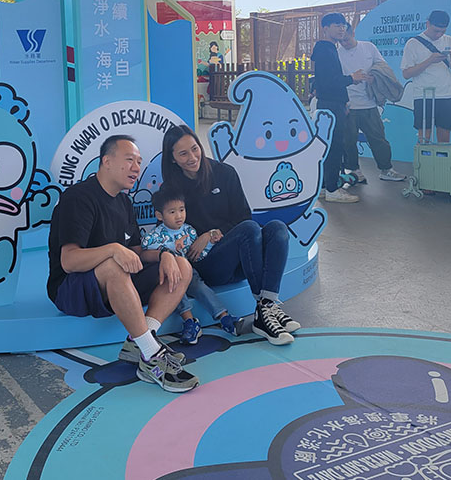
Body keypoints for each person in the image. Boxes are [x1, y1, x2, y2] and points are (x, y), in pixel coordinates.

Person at [47, 134, 199, 393]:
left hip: (115, 285)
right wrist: (114, 249)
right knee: (113, 265)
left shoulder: (124, 202)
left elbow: (136, 255)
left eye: (139, 162)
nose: (136, 168)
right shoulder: (79, 197)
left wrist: (164, 254)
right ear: (106, 161)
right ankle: (151, 356)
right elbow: (69, 261)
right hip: (71, 289)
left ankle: (141, 341)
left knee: (181, 264)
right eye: (129, 160)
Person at [162, 124, 300, 346]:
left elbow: (243, 216)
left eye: (195, 149)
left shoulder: (224, 172)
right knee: (249, 229)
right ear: (172, 159)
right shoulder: (171, 189)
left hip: (242, 257)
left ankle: (266, 305)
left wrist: (211, 233)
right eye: (183, 154)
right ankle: (265, 312)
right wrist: (195, 241)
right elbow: (171, 232)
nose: (192, 157)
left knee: (277, 228)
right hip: (207, 264)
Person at [141, 188, 244, 345]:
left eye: (181, 210)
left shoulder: (189, 231)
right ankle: (190, 322)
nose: (179, 216)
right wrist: (171, 248)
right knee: (174, 287)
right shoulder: (154, 236)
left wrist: (210, 244)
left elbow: (196, 256)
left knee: (200, 287)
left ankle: (224, 318)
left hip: (190, 271)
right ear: (159, 216)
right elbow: (147, 252)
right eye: (172, 212)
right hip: (170, 274)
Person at [337, 24, 407, 184]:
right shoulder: (337, 54)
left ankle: (386, 169)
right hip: (348, 104)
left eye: (346, 39)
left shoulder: (368, 47)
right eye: (341, 41)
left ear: (353, 33)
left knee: (378, 138)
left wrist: (374, 77)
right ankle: (354, 171)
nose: (344, 43)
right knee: (348, 141)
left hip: (369, 102)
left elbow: (383, 67)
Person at [311, 13, 367, 203]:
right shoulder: (325, 50)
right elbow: (329, 82)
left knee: (329, 147)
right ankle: (333, 189)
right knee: (334, 147)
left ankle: (325, 187)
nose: (342, 28)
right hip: (331, 105)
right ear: (325, 28)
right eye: (337, 25)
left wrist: (345, 102)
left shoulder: (329, 49)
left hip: (333, 104)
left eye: (343, 25)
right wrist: (352, 78)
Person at [401, 10, 451, 142]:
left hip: (447, 94)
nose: (439, 35)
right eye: (436, 31)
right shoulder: (413, 43)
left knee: (444, 138)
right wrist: (430, 60)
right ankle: (423, 156)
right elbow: (406, 74)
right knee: (424, 137)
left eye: (442, 31)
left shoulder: (449, 40)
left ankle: (442, 157)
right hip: (424, 95)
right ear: (428, 24)